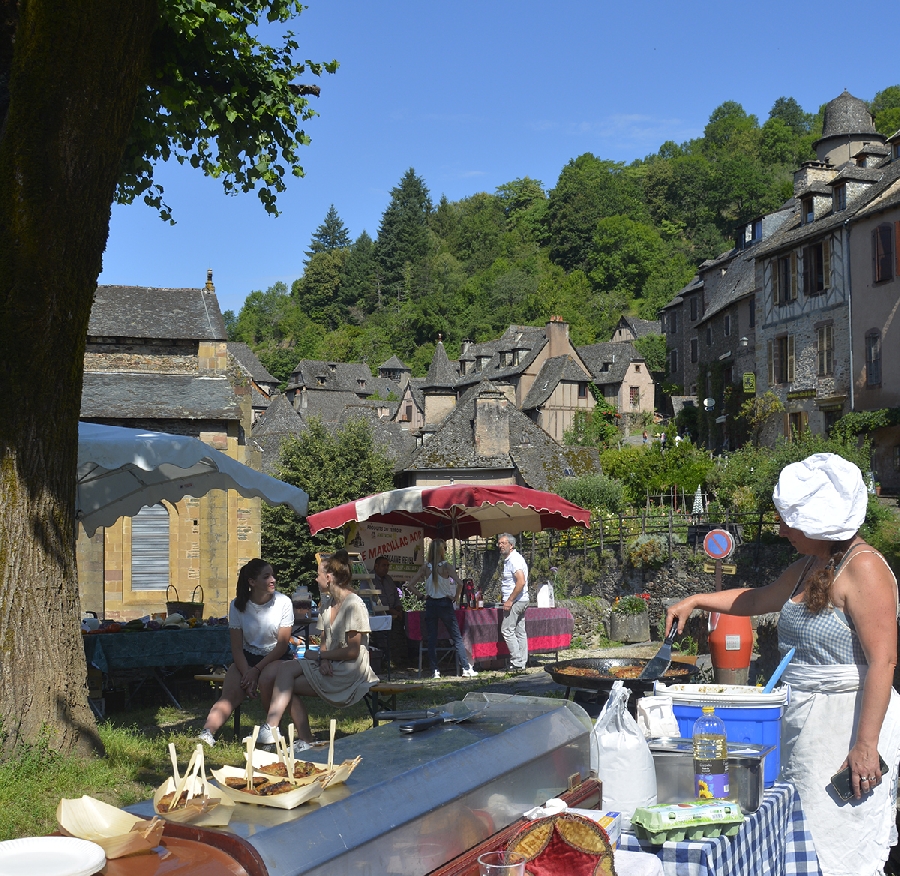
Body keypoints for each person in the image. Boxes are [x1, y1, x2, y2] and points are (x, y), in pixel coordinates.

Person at [665, 453, 900, 876]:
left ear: (821, 523)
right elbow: (755, 599)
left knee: (836, 836)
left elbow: (883, 660)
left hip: (845, 723)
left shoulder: (864, 568)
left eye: (790, 522)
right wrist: (697, 600)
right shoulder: (811, 564)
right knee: (804, 829)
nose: (781, 530)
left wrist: (866, 746)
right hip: (807, 721)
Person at [260, 550, 379, 750]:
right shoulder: (328, 603)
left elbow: (353, 652)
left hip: (350, 672)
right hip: (330, 665)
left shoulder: (353, 605)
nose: (316, 579)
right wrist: (323, 661)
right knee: (284, 673)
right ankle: (279, 730)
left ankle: (286, 732)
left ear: (329, 577)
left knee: (284, 684)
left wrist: (321, 656)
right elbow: (324, 641)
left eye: (319, 574)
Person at [198, 559, 293, 746]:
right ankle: (206, 733)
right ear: (252, 582)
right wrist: (247, 674)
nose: (273, 580)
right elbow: (236, 648)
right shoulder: (237, 605)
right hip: (247, 658)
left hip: (276, 656)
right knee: (230, 694)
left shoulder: (284, 602)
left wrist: (256, 671)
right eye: (266, 576)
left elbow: (282, 645)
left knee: (267, 682)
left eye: (273, 575)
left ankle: (272, 731)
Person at [408, 539, 477, 679]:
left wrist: (422, 596)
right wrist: (456, 597)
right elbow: (459, 583)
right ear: (442, 550)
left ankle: (435, 670)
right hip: (445, 603)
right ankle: (465, 667)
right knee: (456, 636)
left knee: (432, 638)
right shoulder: (446, 566)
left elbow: (410, 585)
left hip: (431, 603)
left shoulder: (425, 567)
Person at [498, 533, 530, 672]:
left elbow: (521, 581)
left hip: (516, 601)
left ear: (511, 545)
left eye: (503, 543)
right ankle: (521, 662)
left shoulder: (514, 560)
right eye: (499, 543)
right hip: (521, 600)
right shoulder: (512, 559)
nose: (500, 546)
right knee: (520, 631)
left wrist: (510, 600)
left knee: (506, 630)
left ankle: (517, 662)